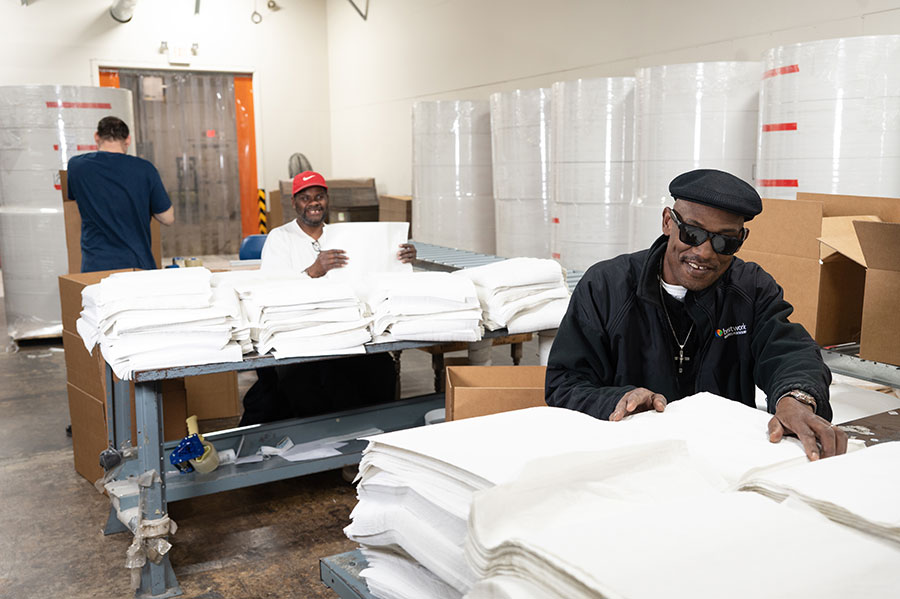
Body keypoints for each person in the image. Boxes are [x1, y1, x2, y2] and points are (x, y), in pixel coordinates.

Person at [545, 169, 847, 461]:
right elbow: (565, 383)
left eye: (724, 241)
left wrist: (797, 399)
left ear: (741, 239)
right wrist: (618, 399)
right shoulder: (606, 286)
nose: (704, 253)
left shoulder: (751, 288)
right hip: (627, 458)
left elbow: (790, 352)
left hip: (721, 459)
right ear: (668, 222)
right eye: (692, 233)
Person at [240, 171, 416, 425]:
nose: (314, 203)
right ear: (294, 203)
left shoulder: (344, 236)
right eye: (305, 198)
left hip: (343, 330)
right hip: (301, 332)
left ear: (327, 200)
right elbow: (272, 291)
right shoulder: (280, 238)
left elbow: (373, 275)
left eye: (319, 196)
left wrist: (399, 258)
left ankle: (368, 434)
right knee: (307, 381)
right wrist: (313, 271)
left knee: (380, 370)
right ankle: (323, 443)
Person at [67, 116, 174, 272]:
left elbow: (75, 197)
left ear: (96, 136)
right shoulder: (145, 169)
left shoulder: (76, 166)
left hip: (95, 266)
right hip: (136, 266)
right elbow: (168, 218)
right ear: (128, 140)